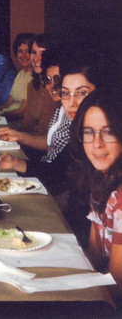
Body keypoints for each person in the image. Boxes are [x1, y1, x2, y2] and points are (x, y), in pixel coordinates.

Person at [70, 90, 122, 298]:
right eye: (89, 131)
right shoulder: (102, 179)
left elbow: (116, 288)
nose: (97, 143)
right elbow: (94, 255)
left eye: (108, 132)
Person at [0, 32, 35, 119]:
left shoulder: (34, 77)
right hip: (9, 116)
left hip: (18, 122)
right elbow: (8, 102)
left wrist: (2, 116)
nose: (23, 55)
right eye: (20, 51)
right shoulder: (20, 74)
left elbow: (23, 111)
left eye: (27, 51)